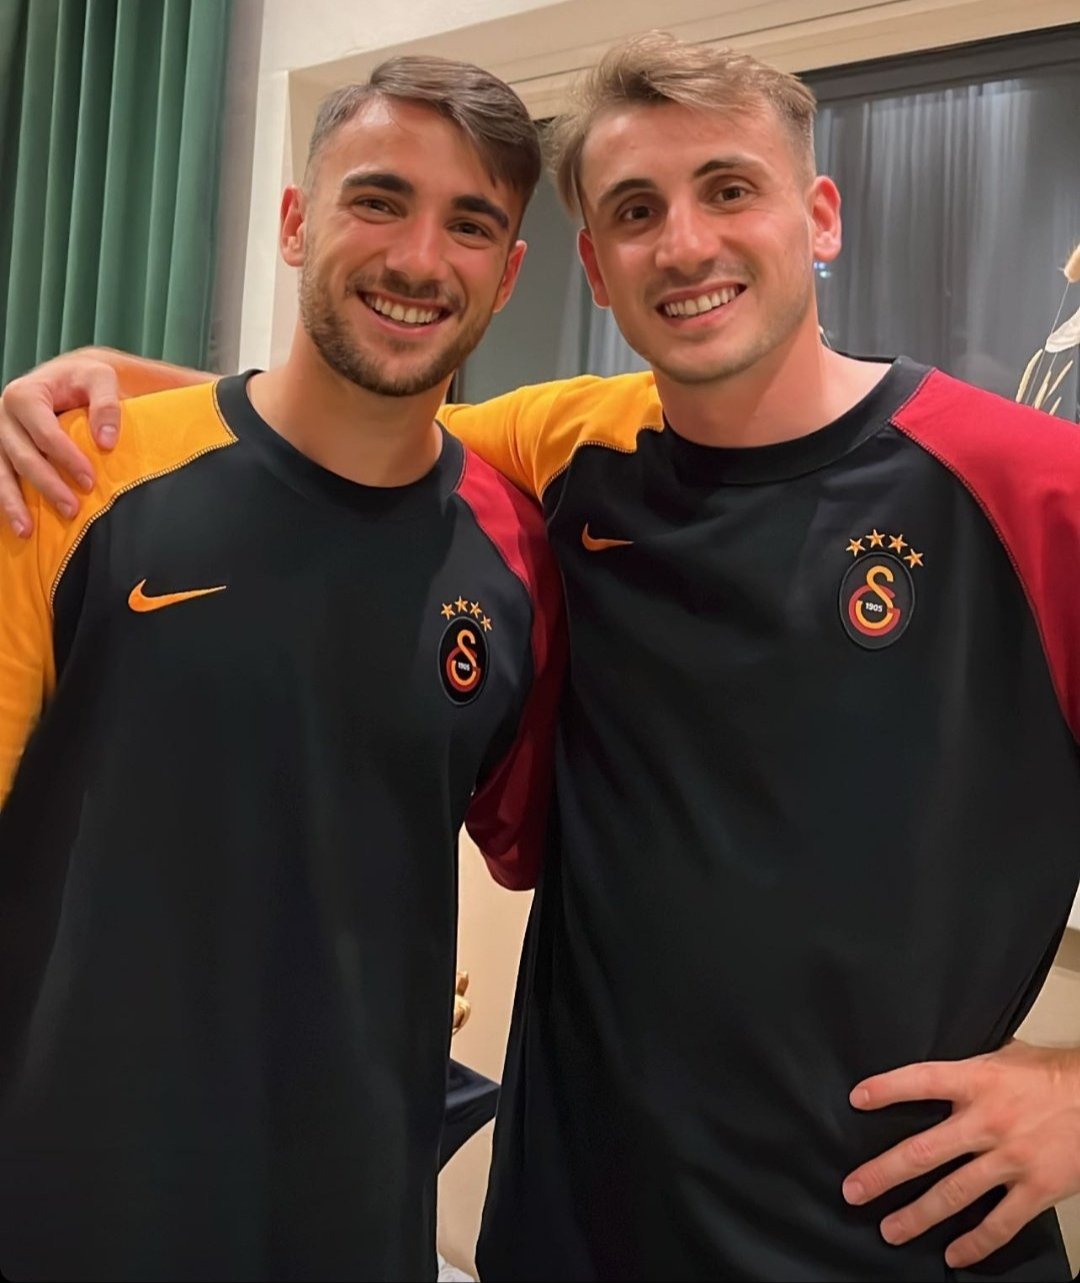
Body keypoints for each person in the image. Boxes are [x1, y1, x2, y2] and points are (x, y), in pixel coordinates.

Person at [3, 30, 1080, 1283]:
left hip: (895, 1244)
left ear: (821, 214)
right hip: (569, 1232)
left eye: (730, 188)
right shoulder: (564, 459)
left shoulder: (1031, 487)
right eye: (635, 210)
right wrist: (111, 394)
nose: (685, 244)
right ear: (591, 269)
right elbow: (351, 421)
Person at [0, 56, 564, 1283]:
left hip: (351, 1216)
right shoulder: (70, 477)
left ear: (511, 275)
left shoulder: (519, 556)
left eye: (471, 224)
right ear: (296, 220)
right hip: (66, 1204)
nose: (420, 257)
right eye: (379, 200)